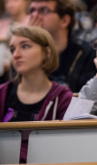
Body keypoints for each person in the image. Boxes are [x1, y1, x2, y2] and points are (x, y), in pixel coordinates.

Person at [0, 26, 72, 163]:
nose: (16, 54)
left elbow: (66, 149)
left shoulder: (63, 98)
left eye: (25, 46)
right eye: (12, 49)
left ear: (47, 52)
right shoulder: (2, 93)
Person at [28, 0, 97, 92]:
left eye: (44, 10)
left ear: (64, 20)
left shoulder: (87, 54)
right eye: (32, 10)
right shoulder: (26, 52)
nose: (35, 16)